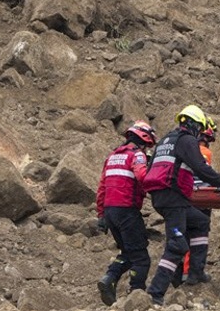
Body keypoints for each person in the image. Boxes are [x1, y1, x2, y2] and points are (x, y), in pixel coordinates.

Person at [143, 106, 220, 306]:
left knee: (200, 222)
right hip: (173, 198)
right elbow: (200, 167)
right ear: (194, 124)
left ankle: (196, 272)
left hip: (164, 197)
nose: (200, 133)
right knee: (177, 245)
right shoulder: (187, 140)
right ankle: (155, 293)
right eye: (200, 128)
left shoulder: (166, 140)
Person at [96, 121, 158, 306]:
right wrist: (158, 185)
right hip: (127, 212)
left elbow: (101, 188)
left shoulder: (112, 156)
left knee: (128, 253)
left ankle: (109, 277)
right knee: (141, 258)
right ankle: (136, 295)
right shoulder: (137, 155)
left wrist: (101, 215)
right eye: (147, 146)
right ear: (144, 139)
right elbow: (142, 176)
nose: (147, 150)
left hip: (109, 212)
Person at [181, 116, 217, 283]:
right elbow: (206, 176)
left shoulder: (181, 146)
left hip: (182, 197)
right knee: (199, 235)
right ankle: (193, 271)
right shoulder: (204, 152)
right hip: (200, 197)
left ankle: (182, 272)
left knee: (183, 234)